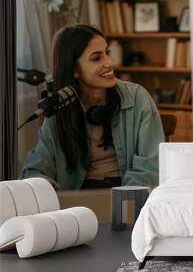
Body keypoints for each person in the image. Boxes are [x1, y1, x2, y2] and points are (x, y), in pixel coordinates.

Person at [21, 24, 165, 190]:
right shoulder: (58, 107)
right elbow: (34, 170)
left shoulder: (137, 98)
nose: (109, 63)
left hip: (127, 193)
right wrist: (51, 197)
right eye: (97, 58)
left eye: (107, 53)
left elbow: (150, 166)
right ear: (74, 69)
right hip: (77, 202)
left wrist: (124, 203)